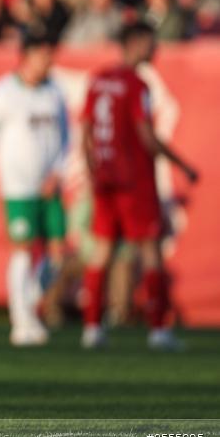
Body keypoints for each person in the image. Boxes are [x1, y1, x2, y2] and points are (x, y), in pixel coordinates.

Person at [79, 21, 199, 350]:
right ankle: (159, 330)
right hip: (134, 179)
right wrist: (183, 166)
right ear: (135, 42)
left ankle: (92, 327)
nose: (155, 49)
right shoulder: (136, 84)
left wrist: (92, 167)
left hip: (105, 179)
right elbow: (146, 136)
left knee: (102, 250)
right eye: (151, 42)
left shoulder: (99, 79)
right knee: (150, 250)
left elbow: (86, 129)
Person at [0, 33, 69, 346]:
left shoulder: (54, 91)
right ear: (26, 57)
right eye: (43, 56)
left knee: (57, 253)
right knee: (23, 250)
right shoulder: (1, 92)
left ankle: (28, 306)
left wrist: (59, 171)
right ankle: (21, 319)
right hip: (18, 187)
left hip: (49, 187)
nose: (49, 62)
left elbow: (67, 137)